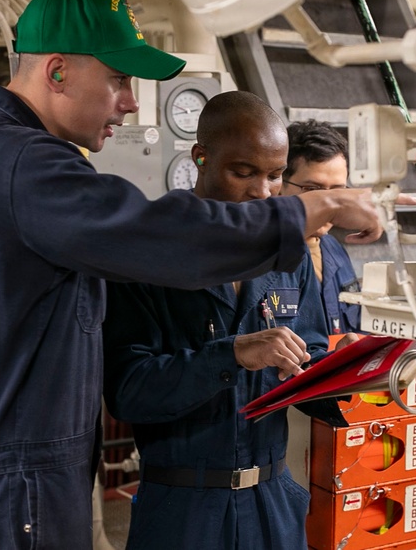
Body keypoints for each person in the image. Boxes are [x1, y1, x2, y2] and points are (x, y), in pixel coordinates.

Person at [0, 0, 402, 549]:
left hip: (13, 480)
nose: (132, 101)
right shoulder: (21, 162)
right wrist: (313, 209)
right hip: (8, 491)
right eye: (118, 79)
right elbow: (155, 234)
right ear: (57, 72)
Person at [103, 91, 340, 550]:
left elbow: (310, 359)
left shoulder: (287, 258)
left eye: (274, 176)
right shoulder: (148, 257)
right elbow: (129, 392)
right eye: (243, 172)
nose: (262, 192)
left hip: (273, 504)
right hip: (182, 511)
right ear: (201, 157)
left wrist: (345, 376)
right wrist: (231, 355)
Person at [281, 120, 362, 334]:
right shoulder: (261, 260)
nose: (328, 203)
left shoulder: (335, 251)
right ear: (279, 185)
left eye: (337, 191)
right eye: (312, 190)